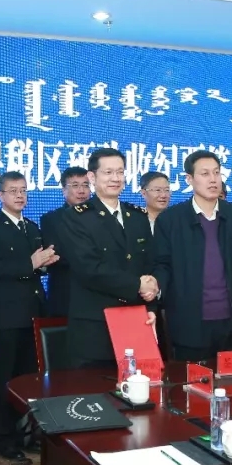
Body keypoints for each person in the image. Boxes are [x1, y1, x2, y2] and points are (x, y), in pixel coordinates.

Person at [152, 151, 232, 361]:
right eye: (205, 174)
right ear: (189, 179)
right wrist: (153, 287)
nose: (213, 179)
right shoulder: (170, 219)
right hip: (190, 326)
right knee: (193, 379)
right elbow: (162, 265)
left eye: (216, 173)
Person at [0, 172, 58, 460]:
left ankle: (26, 433)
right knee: (5, 376)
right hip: (7, 316)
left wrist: (46, 264)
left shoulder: (32, 227)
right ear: (0, 195)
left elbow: (36, 269)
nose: (20, 196)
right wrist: (31, 262)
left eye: (23, 190)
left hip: (34, 313)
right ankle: (2, 438)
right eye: (13, 191)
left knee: (29, 377)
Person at [59, 148, 156, 368]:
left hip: (136, 322)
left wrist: (153, 301)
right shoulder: (76, 217)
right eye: (108, 172)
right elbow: (89, 269)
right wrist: (137, 284)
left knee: (138, 386)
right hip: (95, 328)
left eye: (120, 172)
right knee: (95, 388)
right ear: (92, 177)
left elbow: (151, 263)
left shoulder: (138, 216)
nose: (115, 178)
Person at [40, 167, 89, 318]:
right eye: (75, 185)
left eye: (86, 185)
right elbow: (57, 255)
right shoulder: (51, 220)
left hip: (98, 296)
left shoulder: (102, 218)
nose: (81, 191)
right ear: (63, 190)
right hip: (65, 296)